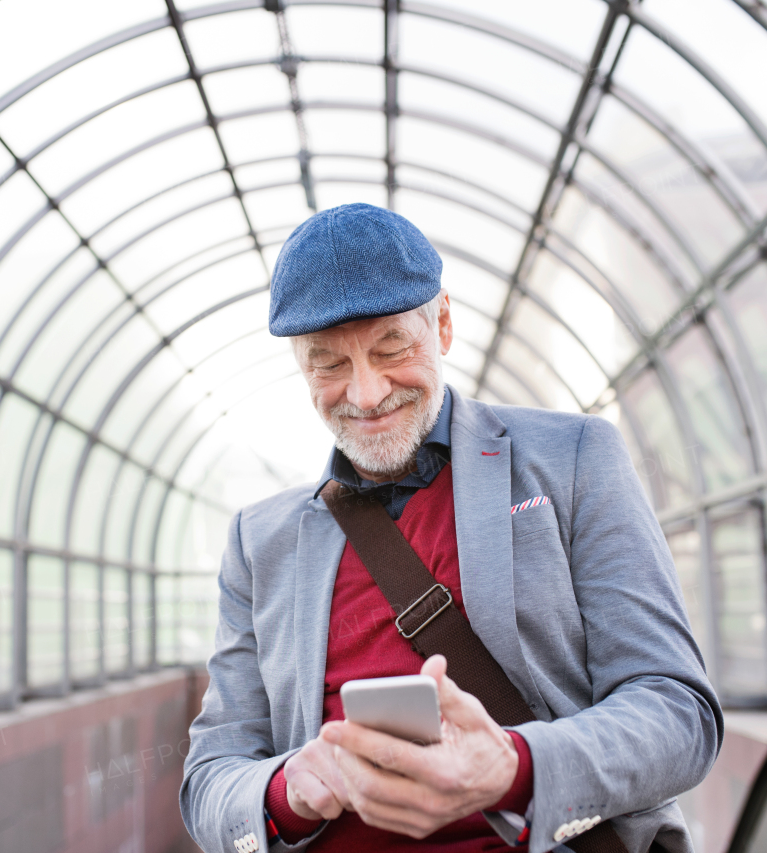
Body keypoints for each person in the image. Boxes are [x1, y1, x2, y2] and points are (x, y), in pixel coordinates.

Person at [179, 203, 721, 853]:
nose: (368, 392)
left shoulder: (572, 460)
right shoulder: (258, 541)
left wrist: (516, 766)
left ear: (442, 324)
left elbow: (677, 711)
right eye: (330, 364)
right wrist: (286, 789)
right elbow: (208, 779)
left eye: (391, 349)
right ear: (301, 368)